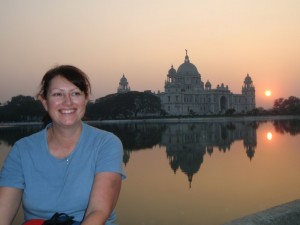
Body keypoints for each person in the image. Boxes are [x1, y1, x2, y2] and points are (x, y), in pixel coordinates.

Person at [0, 65, 126, 225]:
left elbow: (98, 211)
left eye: (75, 94)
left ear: (85, 99)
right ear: (44, 101)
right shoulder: (22, 150)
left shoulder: (106, 143)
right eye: (58, 94)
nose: (67, 102)